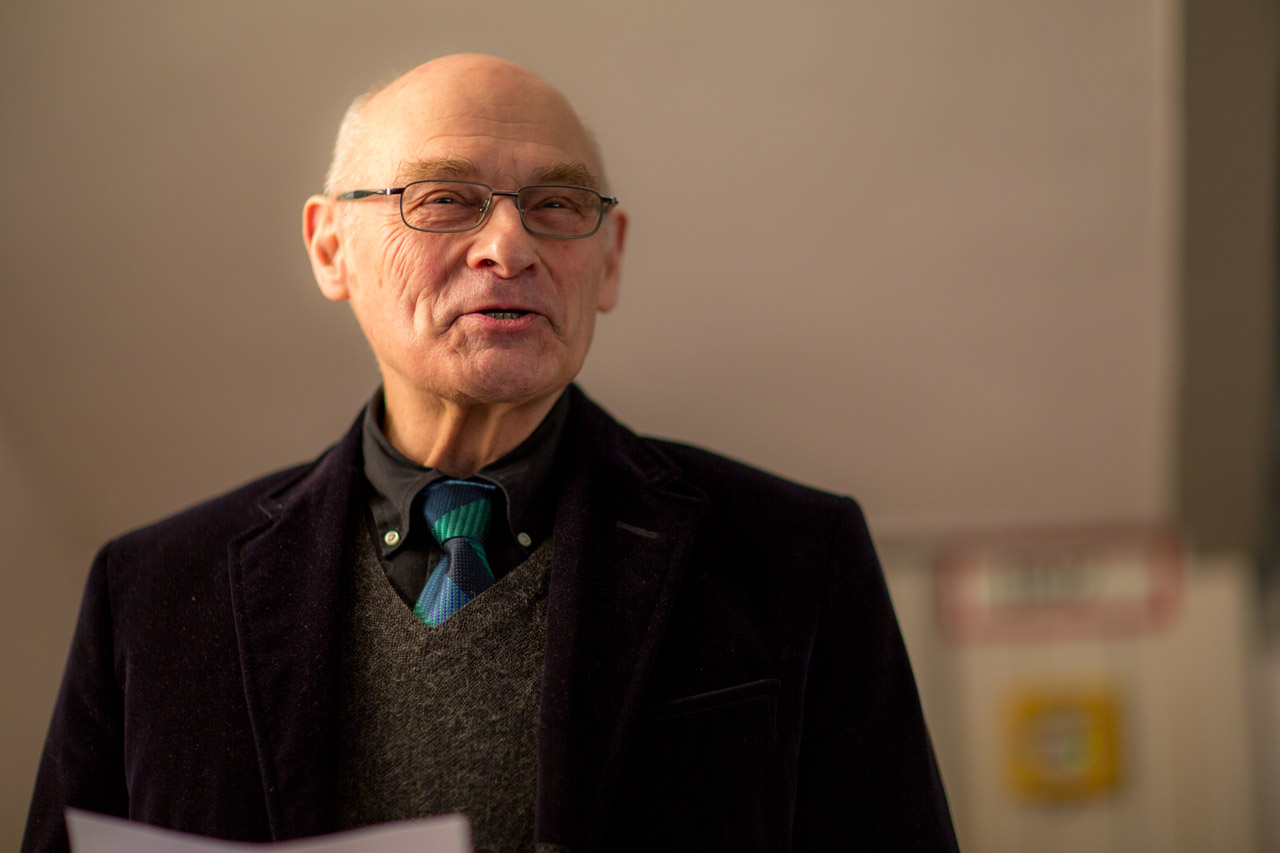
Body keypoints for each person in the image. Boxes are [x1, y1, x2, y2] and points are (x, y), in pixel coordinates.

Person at [24, 54, 957, 852]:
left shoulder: (795, 558)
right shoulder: (151, 592)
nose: (509, 247)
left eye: (558, 204)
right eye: (444, 200)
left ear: (610, 257)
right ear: (330, 246)